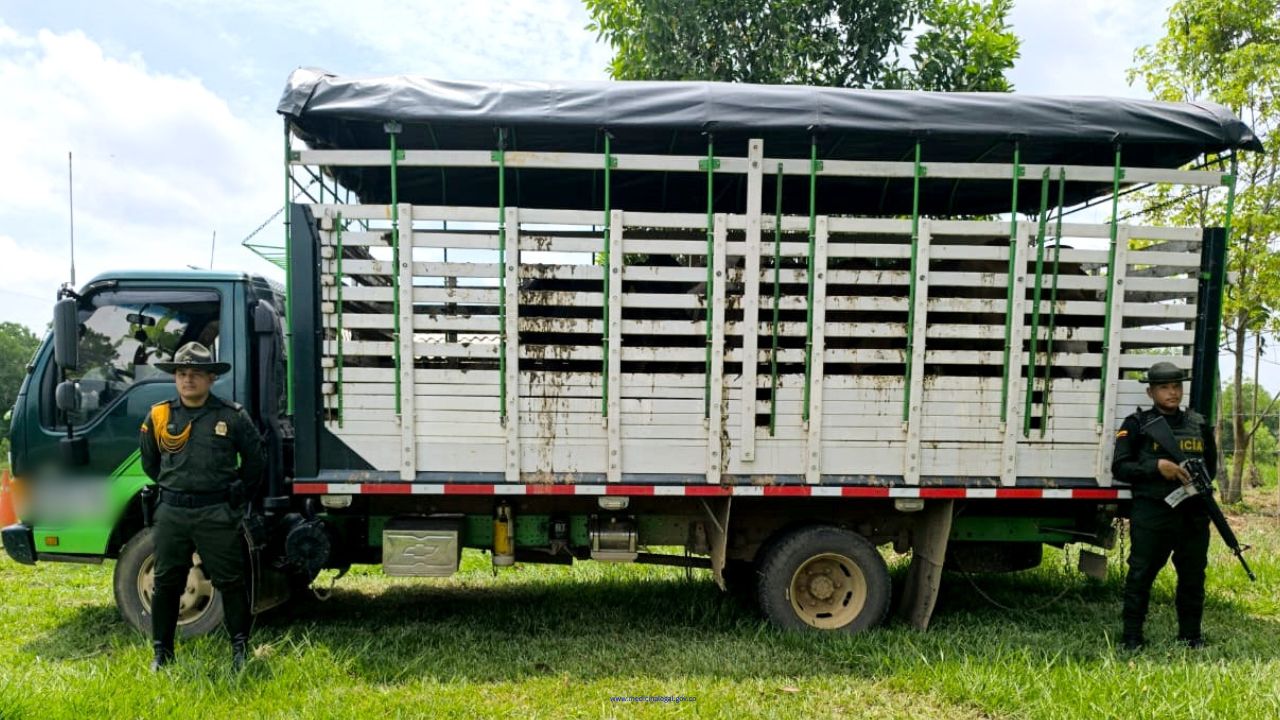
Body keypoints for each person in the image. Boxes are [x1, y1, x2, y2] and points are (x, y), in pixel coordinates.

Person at [139, 341, 264, 671]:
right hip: (172, 513)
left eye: (196, 373)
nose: (188, 379)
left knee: (231, 581)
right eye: (181, 373)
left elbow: (255, 462)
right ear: (175, 379)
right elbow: (151, 465)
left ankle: (240, 650)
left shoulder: (231, 416)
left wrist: (235, 494)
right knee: (166, 583)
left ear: (211, 379)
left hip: (217, 512)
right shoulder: (159, 416)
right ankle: (162, 653)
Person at [1111, 360, 1215, 651]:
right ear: (1151, 393)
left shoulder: (1198, 424)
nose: (1172, 393)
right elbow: (1120, 467)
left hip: (1192, 514)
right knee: (1141, 575)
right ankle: (1132, 637)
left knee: (1193, 577)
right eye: (1165, 387)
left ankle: (1191, 636)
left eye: (1177, 386)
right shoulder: (1137, 425)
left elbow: (1212, 468)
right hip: (1153, 512)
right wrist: (1157, 467)